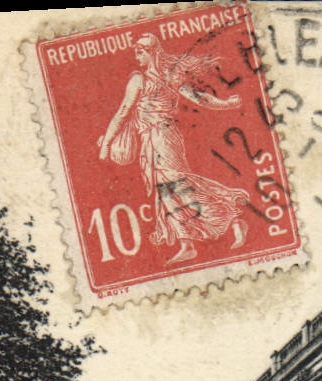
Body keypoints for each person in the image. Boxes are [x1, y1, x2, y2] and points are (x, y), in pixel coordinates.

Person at [98, 34, 250, 264]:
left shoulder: (140, 80)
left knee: (177, 186)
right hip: (157, 138)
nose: (137, 57)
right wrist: (225, 103)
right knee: (167, 190)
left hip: (161, 138)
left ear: (152, 52)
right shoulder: (168, 76)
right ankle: (187, 243)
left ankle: (232, 217)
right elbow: (200, 98)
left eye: (140, 52)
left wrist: (107, 144)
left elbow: (123, 112)